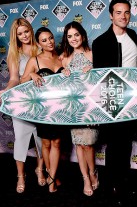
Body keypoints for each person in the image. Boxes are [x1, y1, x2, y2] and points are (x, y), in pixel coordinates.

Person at [91, 0, 137, 205]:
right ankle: (111, 186)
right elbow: (99, 76)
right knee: (113, 146)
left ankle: (123, 183)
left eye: (126, 12)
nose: (123, 16)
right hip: (112, 98)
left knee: (126, 144)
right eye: (118, 12)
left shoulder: (134, 36)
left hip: (132, 99)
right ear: (111, 15)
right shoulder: (100, 42)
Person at [0, 18, 46, 194]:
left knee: (42, 139)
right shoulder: (14, 54)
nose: (24, 36)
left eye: (26, 31)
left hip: (42, 102)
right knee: (21, 139)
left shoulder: (41, 48)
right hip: (22, 103)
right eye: (20, 33)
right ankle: (21, 175)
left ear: (31, 31)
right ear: (15, 36)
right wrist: (6, 91)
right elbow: (14, 79)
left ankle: (40, 169)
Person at [20, 26, 66, 193]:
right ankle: (52, 176)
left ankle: (52, 178)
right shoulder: (35, 60)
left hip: (61, 107)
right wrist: (31, 75)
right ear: (39, 44)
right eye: (44, 40)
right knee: (46, 143)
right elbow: (21, 81)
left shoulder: (62, 58)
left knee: (58, 142)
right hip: (43, 108)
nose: (49, 42)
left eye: (51, 38)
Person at [59, 21, 99, 197]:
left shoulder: (93, 55)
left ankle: (93, 172)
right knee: (79, 144)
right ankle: (85, 178)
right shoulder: (64, 58)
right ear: (66, 39)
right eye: (70, 36)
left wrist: (94, 70)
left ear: (82, 35)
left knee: (88, 144)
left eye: (76, 35)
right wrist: (62, 73)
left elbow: (102, 81)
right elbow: (59, 84)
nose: (74, 39)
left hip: (91, 106)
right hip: (74, 107)